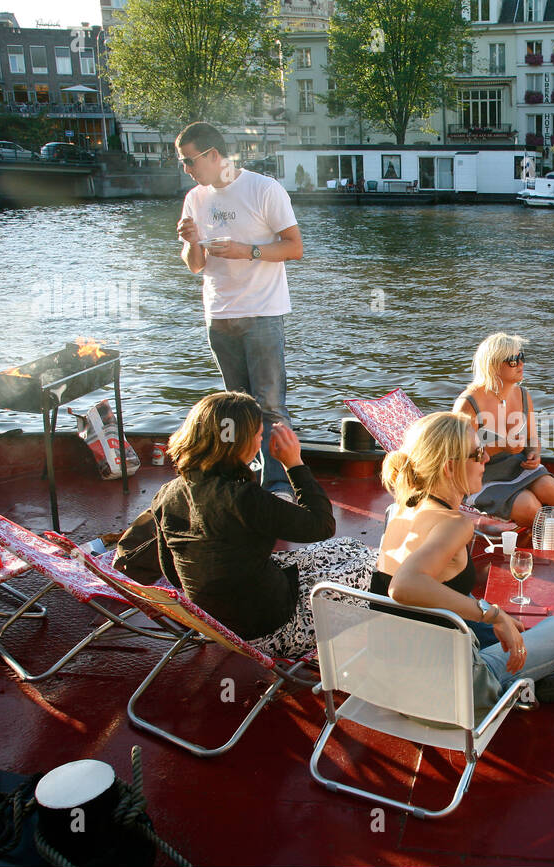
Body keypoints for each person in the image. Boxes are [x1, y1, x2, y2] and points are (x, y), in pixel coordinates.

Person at [371, 413, 554, 710]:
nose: (486, 458)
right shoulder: (454, 524)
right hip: (453, 691)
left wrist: (496, 618)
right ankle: (516, 686)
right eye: (477, 453)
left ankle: (524, 678)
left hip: (391, 685)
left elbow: (429, 593)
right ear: (449, 467)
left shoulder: (398, 509)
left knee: (517, 628)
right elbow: (404, 586)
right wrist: (493, 615)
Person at [145, 392, 373, 659]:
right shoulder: (243, 498)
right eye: (257, 435)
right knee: (371, 566)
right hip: (271, 630)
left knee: (348, 547)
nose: (261, 440)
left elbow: (173, 572)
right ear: (238, 443)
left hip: (215, 622)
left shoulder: (167, 493)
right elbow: (321, 525)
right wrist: (294, 463)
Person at [175, 121, 303, 498]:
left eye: (190, 160)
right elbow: (194, 264)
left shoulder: (264, 189)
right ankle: (243, 478)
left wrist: (248, 250)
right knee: (234, 408)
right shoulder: (195, 198)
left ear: (214, 155)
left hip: (262, 313)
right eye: (182, 162)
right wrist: (191, 242)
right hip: (219, 314)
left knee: (270, 406)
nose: (186, 169)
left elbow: (294, 247)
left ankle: (279, 485)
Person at [454, 333, 554, 525]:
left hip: (516, 466)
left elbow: (532, 438)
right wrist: (502, 446)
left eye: (521, 357)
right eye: (513, 360)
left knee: (549, 487)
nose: (521, 364)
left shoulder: (523, 395)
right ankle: (553, 524)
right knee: (528, 506)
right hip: (480, 476)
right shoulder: (468, 403)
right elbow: (460, 456)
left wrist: (534, 452)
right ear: (493, 365)